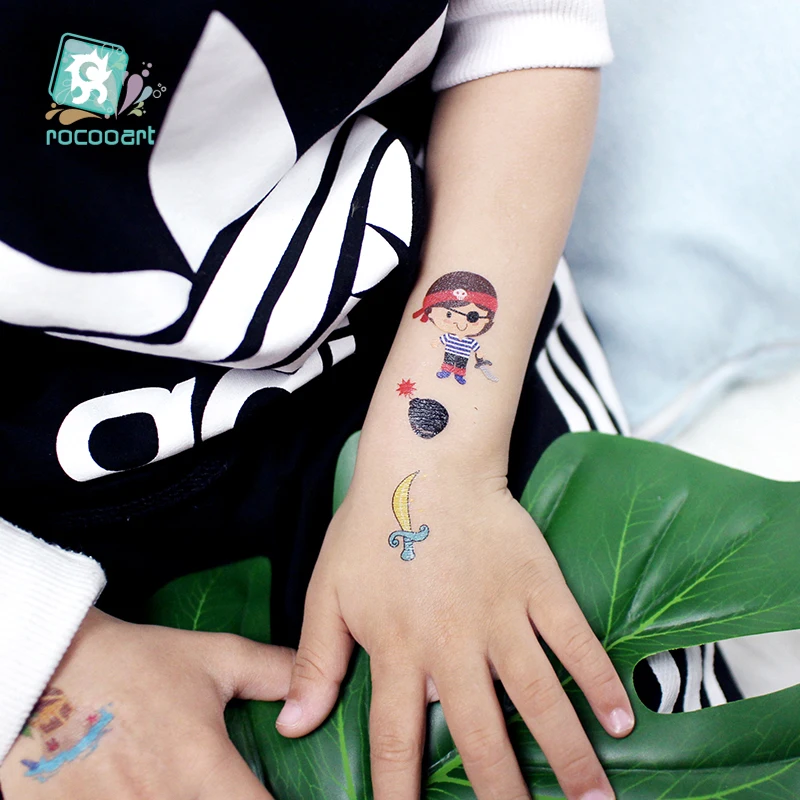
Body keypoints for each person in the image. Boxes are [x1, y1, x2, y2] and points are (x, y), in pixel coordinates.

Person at [0, 2, 637, 799]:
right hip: (42, 526)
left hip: (430, 357)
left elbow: (521, 22)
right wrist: (38, 657)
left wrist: (438, 462)